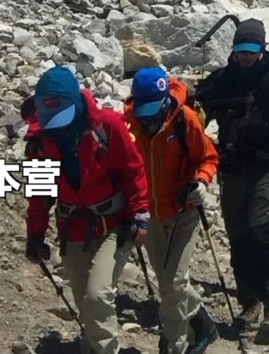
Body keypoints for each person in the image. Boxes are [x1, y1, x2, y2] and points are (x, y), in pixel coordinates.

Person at [191, 19, 269, 336]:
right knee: (238, 235)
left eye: (251, 50)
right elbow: (197, 116)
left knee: (258, 229)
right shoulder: (222, 80)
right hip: (232, 167)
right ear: (233, 49)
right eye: (241, 50)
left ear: (262, 49)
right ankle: (248, 301)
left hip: (268, 166)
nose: (246, 56)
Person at [23, 66, 151, 354]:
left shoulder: (108, 126)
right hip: (73, 227)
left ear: (77, 102)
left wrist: (140, 213)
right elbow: (39, 195)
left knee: (97, 296)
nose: (58, 126)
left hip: (114, 224)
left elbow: (134, 171)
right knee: (85, 301)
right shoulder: (40, 142)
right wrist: (35, 235)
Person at [124, 67, 220, 354]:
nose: (149, 119)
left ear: (166, 101)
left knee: (174, 282)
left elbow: (208, 157)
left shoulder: (184, 120)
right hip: (150, 215)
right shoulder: (128, 125)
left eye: (154, 111)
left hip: (184, 212)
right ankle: (203, 324)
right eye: (144, 111)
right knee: (168, 284)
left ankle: (172, 343)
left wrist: (202, 181)